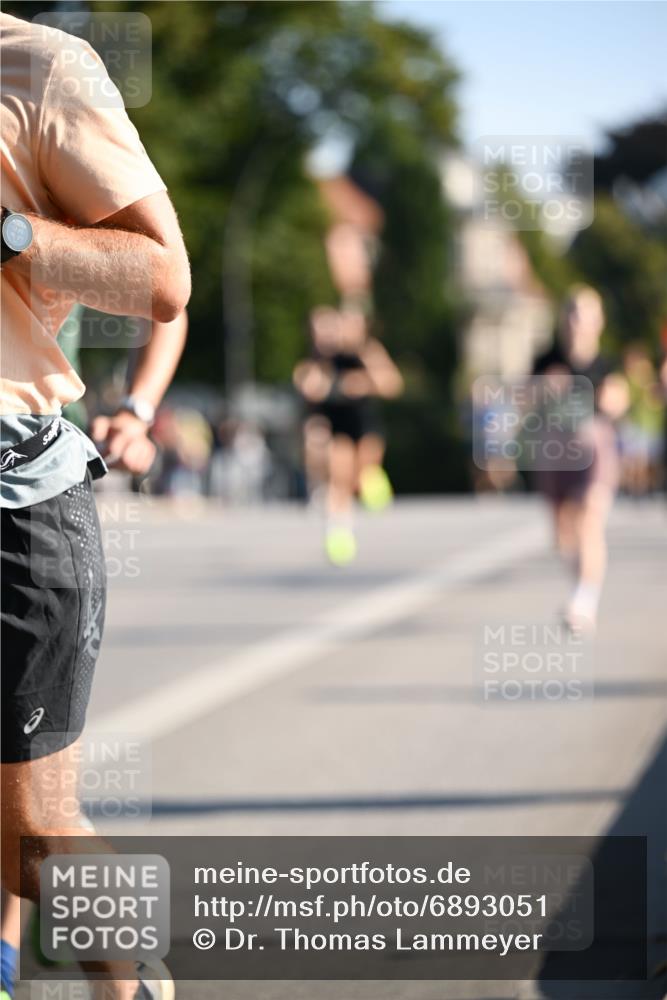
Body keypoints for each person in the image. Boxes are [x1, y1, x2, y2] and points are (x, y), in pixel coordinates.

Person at [1, 13, 190, 1000]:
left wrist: (10, 233)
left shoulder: (41, 67)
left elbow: (164, 279)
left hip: (13, 496)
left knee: (28, 839)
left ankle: (131, 979)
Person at [531, 285, 628, 631]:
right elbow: (524, 402)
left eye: (586, 314)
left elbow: (619, 401)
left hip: (594, 450)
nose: (578, 322)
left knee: (589, 521)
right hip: (555, 451)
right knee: (563, 535)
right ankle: (581, 587)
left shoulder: (606, 363)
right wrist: (542, 390)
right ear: (563, 319)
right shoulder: (546, 360)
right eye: (572, 313)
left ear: (598, 321)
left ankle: (584, 600)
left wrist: (609, 400)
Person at [294, 306, 403, 565]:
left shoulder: (365, 352)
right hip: (336, 427)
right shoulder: (316, 361)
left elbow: (391, 384)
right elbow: (307, 387)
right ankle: (338, 532)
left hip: (364, 426)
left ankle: (371, 483)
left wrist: (361, 382)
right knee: (339, 482)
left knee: (361, 478)